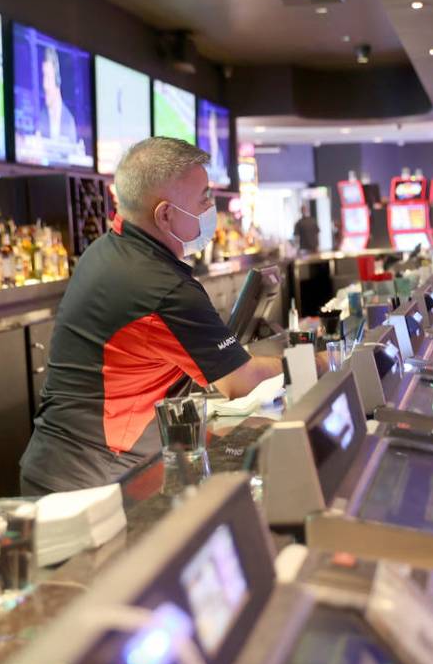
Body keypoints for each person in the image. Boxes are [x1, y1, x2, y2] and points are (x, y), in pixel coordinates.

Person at [20, 137, 304, 495]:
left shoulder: (108, 249)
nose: (210, 208)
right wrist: (315, 361)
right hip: (89, 480)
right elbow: (240, 381)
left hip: (58, 462)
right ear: (165, 214)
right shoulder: (163, 287)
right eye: (203, 198)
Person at [36, 46, 78, 147]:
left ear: (57, 81)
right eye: (43, 77)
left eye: (48, 78)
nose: (44, 85)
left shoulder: (69, 120)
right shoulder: (41, 117)